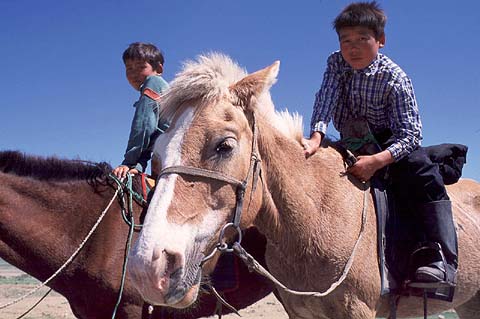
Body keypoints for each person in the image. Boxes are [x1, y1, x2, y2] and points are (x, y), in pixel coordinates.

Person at [302, 1, 457, 285]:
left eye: (363, 39)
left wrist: (377, 161)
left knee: (421, 170)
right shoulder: (336, 62)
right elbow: (326, 97)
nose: (353, 48)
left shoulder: (395, 78)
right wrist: (316, 137)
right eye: (346, 40)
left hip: (389, 143)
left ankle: (437, 255)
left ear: (381, 41)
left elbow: (411, 134)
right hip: (349, 139)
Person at [112, 42, 170, 179]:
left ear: (159, 69)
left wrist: (129, 163)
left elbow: (144, 126)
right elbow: (154, 133)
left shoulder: (153, 82)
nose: (134, 74)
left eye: (141, 67)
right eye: (129, 69)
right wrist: (139, 165)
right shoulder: (164, 88)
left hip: (171, 155)